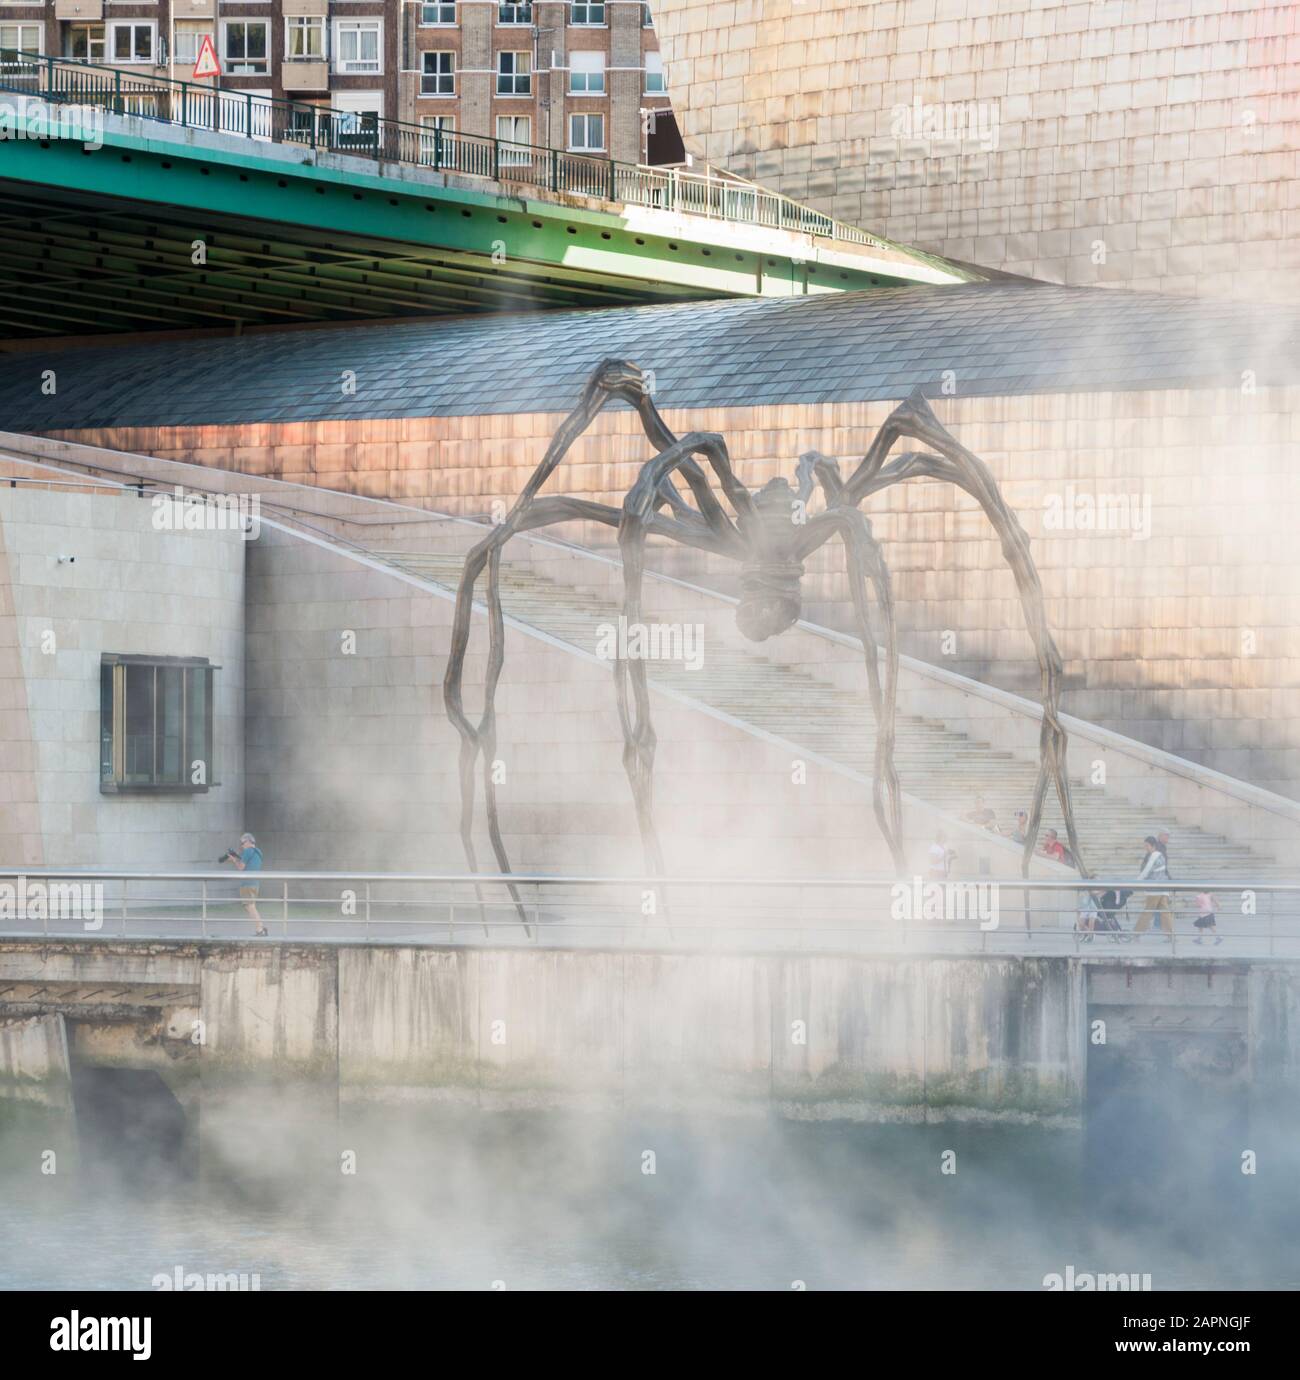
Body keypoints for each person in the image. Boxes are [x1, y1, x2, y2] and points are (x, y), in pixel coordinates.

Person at [222, 831, 266, 937]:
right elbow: (249, 864)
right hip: (255, 882)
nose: (242, 845)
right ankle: (261, 927)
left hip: (247, 883)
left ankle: (260, 929)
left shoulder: (248, 851)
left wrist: (234, 860)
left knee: (249, 906)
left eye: (243, 843)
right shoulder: (258, 852)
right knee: (251, 906)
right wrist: (237, 858)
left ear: (249, 841)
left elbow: (241, 867)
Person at [1133, 835, 1174, 939]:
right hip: (1162, 889)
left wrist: (1136, 882)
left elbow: (1146, 870)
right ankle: (1171, 936)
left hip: (1155, 890)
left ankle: (1135, 934)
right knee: (1165, 913)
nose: (1145, 848)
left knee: (1147, 912)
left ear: (1153, 846)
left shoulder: (1154, 855)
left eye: (1147, 845)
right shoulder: (1160, 856)